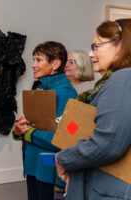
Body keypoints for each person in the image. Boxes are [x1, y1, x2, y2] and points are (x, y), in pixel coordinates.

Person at [56, 19, 131, 199]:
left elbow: (107, 144)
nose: (90, 54)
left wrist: (63, 158)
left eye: (96, 46)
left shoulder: (123, 79)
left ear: (121, 45)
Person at [12, 41, 77, 200]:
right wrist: (18, 131)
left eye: (39, 60)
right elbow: (32, 126)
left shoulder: (67, 94)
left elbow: (63, 139)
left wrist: (28, 134)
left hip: (50, 170)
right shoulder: (39, 88)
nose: (33, 65)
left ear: (56, 64)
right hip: (33, 164)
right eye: (33, 60)